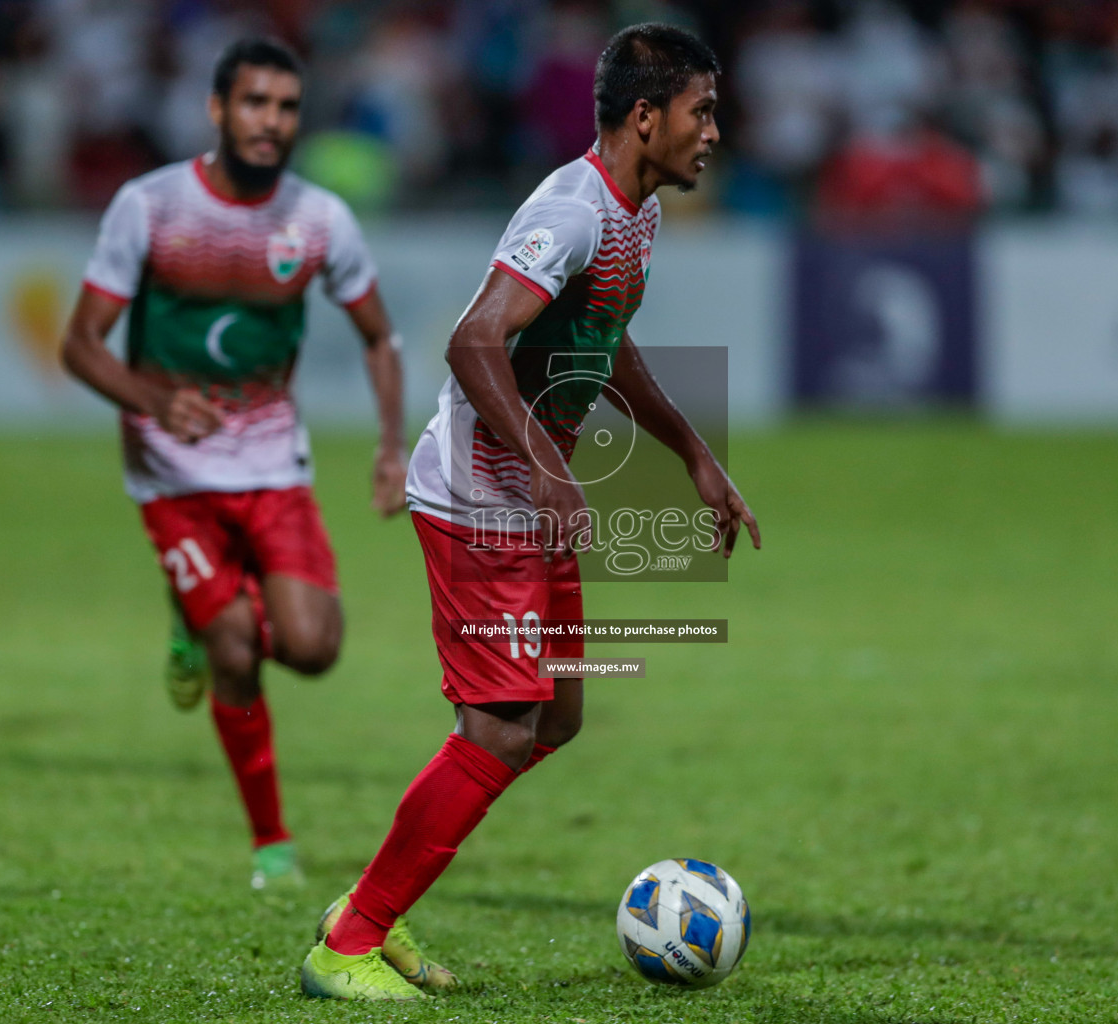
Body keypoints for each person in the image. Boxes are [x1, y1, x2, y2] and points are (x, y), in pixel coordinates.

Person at [299, 23, 761, 1001]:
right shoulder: (573, 210)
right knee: (502, 728)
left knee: (555, 718)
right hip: (480, 498)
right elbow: (473, 343)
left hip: (531, 499)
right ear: (647, 116)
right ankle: (349, 942)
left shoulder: (639, 215)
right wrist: (547, 467)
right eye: (701, 111)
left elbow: (607, 341)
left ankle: (368, 902)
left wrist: (693, 455)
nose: (714, 131)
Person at [61, 38, 407, 891]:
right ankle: (272, 846)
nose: (272, 122)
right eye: (255, 103)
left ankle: (206, 608)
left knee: (315, 648)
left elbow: (379, 338)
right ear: (218, 109)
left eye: (287, 108)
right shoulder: (149, 207)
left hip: (271, 465)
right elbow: (78, 345)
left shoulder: (319, 220)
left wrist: (391, 446)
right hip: (172, 476)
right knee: (235, 651)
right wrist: (151, 401)